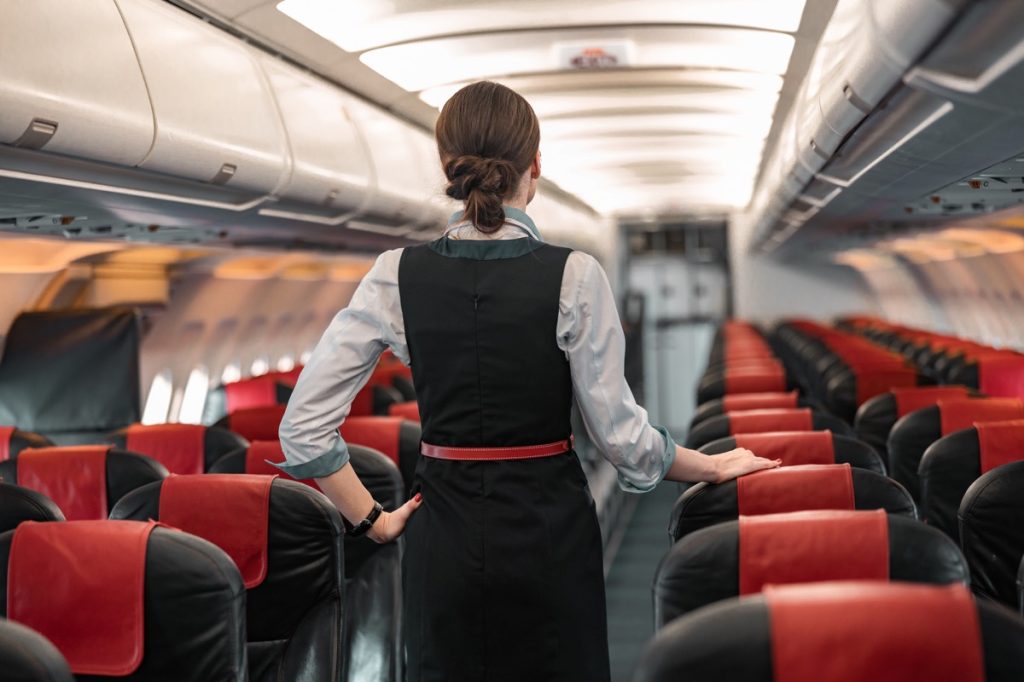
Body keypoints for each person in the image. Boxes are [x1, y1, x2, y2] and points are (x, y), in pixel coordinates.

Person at [276, 81, 779, 682]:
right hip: (551, 535)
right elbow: (621, 440)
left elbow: (302, 430)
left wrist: (374, 522)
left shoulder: (393, 276)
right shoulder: (576, 276)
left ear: (448, 167)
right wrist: (714, 465)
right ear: (535, 165)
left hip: (444, 539)